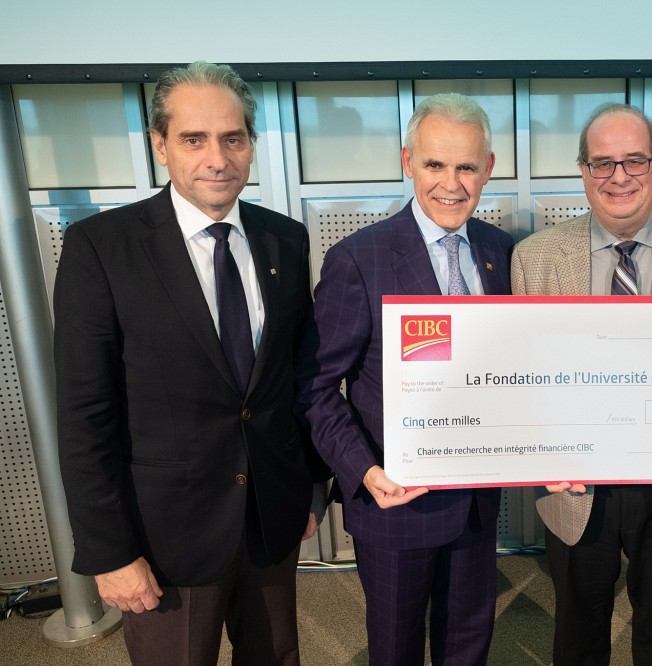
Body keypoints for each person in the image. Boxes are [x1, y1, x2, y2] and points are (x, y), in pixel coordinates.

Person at [54, 61, 327, 665]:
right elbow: (83, 415)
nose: (217, 158)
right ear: (160, 145)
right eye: (193, 139)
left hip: (270, 525)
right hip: (163, 543)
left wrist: (310, 485)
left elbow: (294, 378)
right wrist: (109, 553)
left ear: (252, 144)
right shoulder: (101, 248)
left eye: (233, 138)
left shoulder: (285, 238)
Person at [511, 102, 652, 665]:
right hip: (577, 486)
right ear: (583, 170)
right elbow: (525, 380)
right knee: (578, 633)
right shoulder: (534, 259)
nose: (619, 177)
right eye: (602, 163)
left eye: (634, 161)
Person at [296, 93, 513, 666]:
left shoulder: (500, 252)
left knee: (468, 642)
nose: (452, 183)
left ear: (488, 167)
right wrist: (364, 471)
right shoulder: (358, 259)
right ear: (407, 161)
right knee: (394, 649)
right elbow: (316, 387)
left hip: (476, 502)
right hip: (394, 503)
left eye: (466, 166)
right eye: (435, 165)